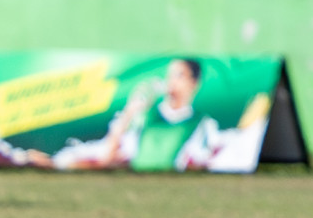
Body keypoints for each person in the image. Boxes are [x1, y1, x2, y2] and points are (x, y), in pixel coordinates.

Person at [34, 58, 217, 171]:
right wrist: (131, 111)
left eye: (180, 76)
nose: (172, 82)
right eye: (170, 75)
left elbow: (202, 163)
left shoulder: (202, 124)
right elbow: (110, 152)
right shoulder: (146, 114)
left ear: (194, 83)